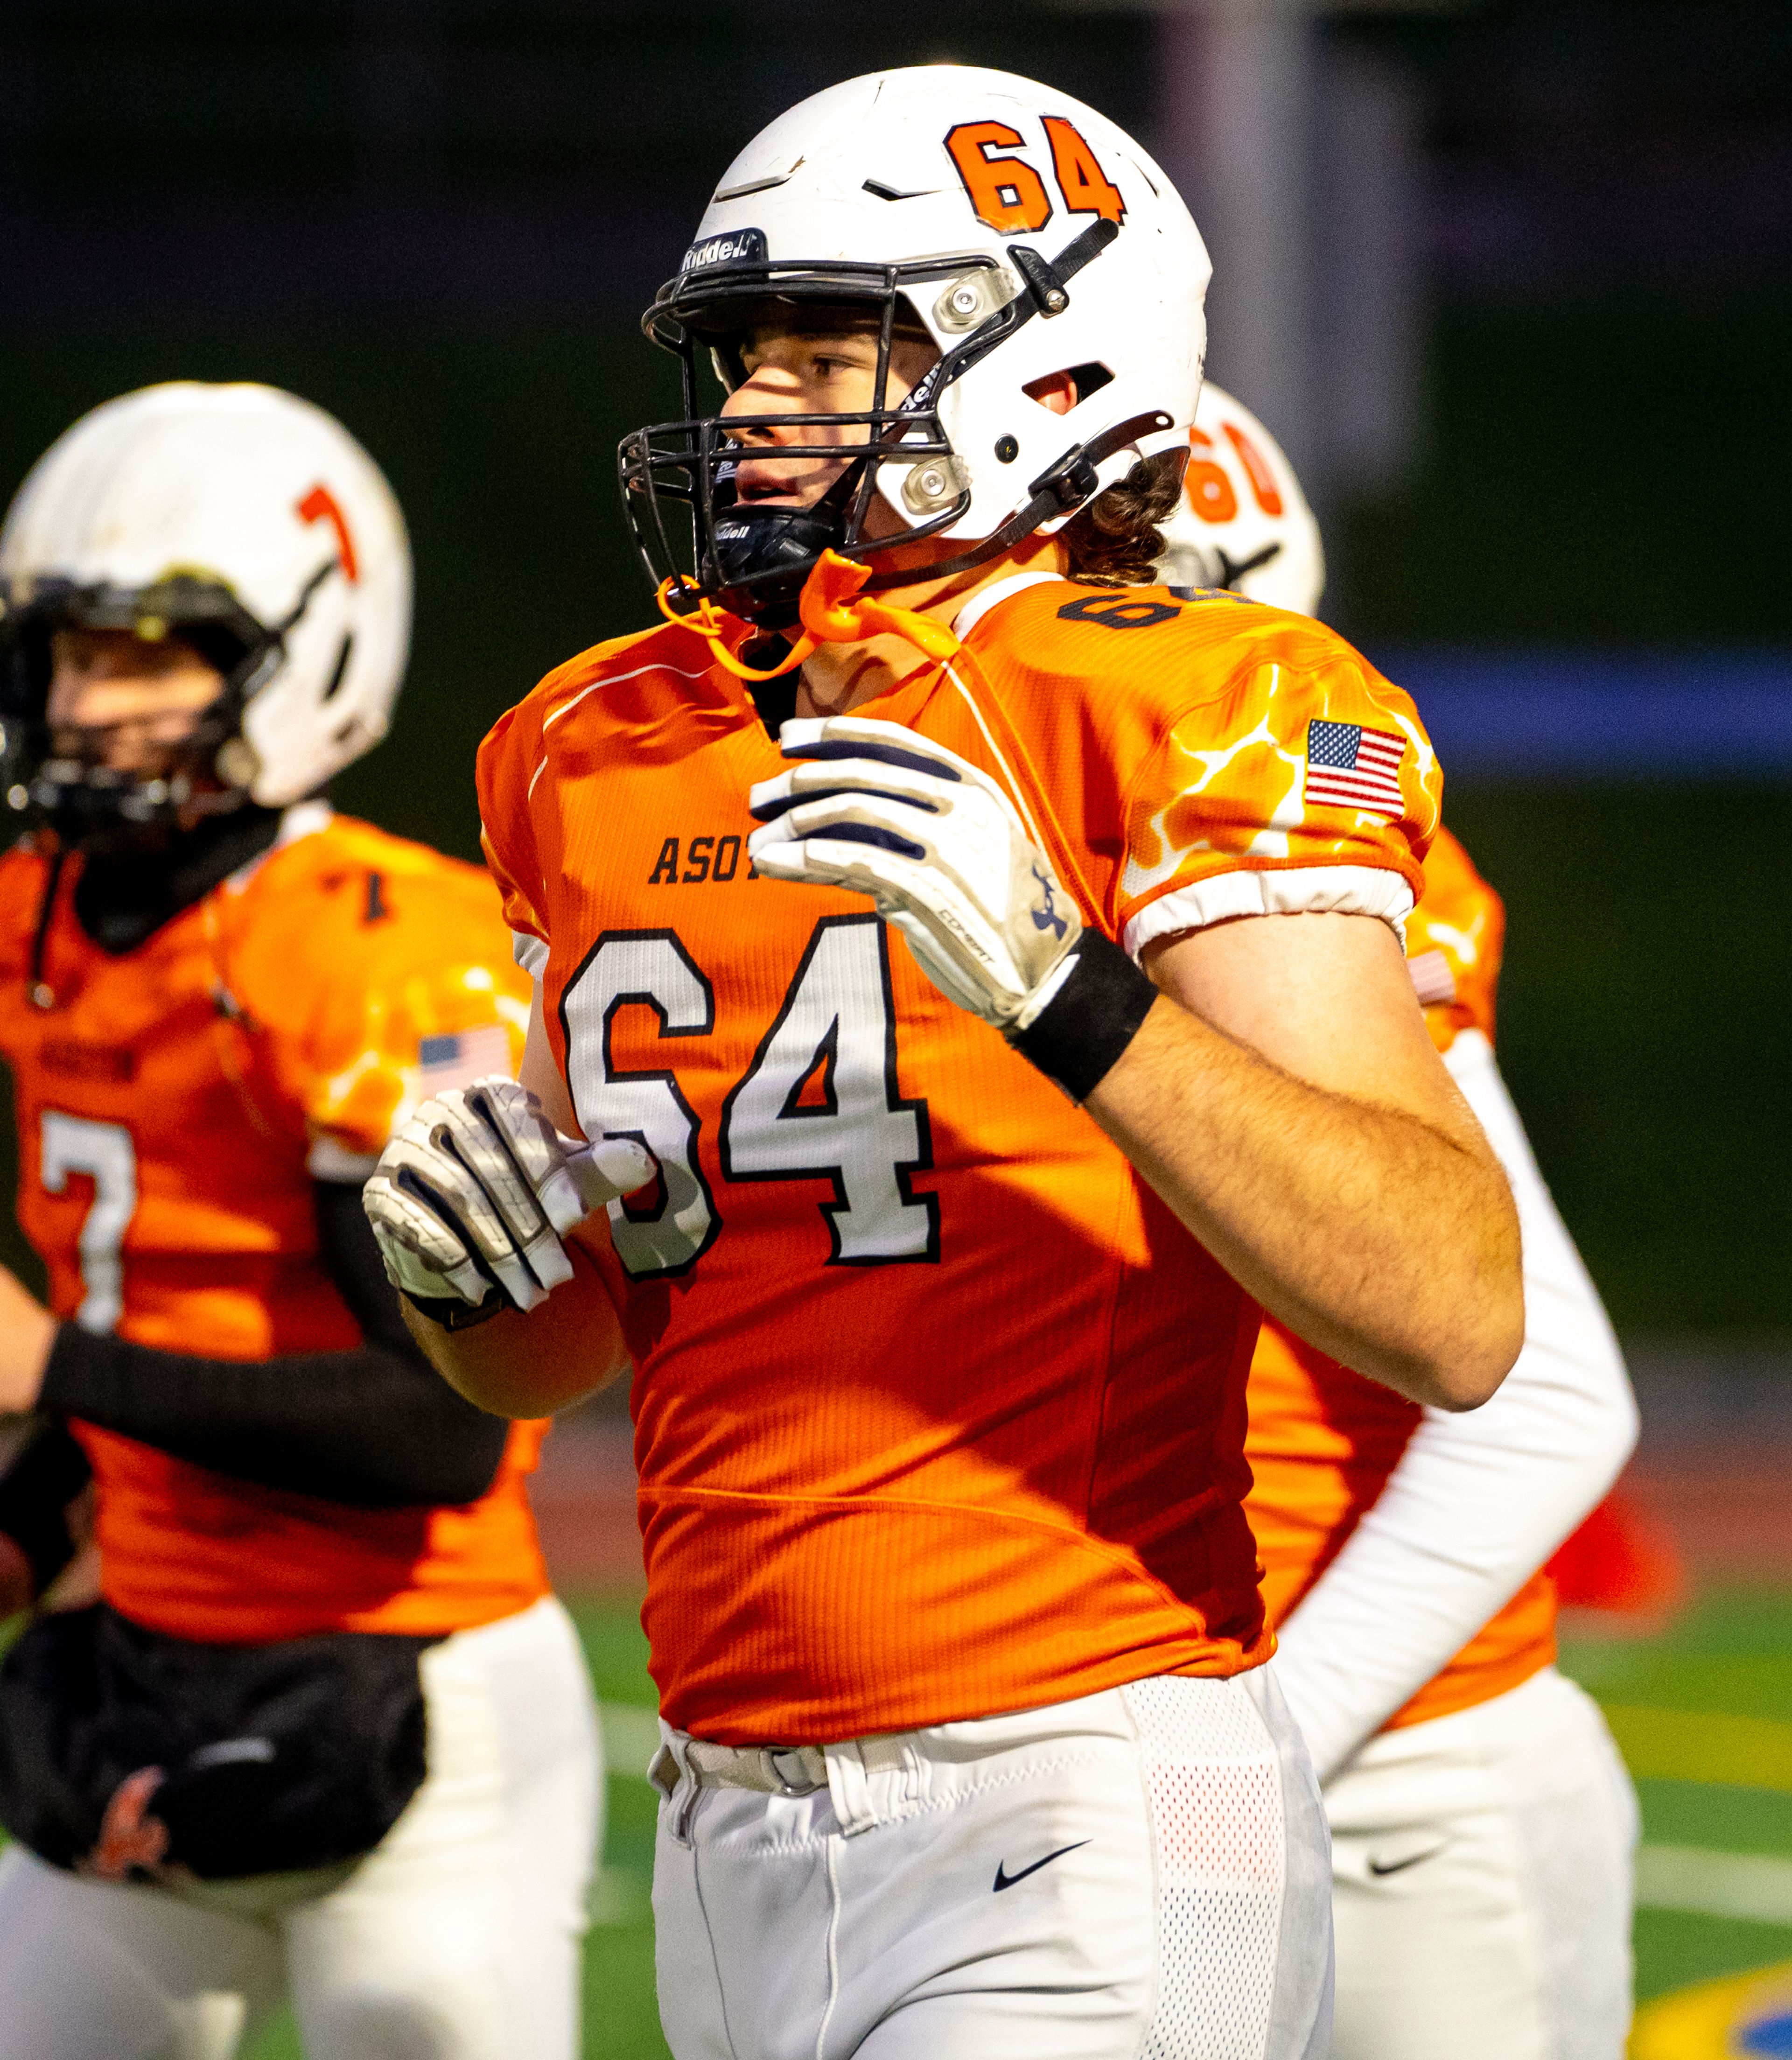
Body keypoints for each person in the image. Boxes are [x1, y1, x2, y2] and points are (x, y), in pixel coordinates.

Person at [368, 67, 1523, 2060]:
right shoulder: (585, 743)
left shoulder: (1183, 697)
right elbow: (574, 1349)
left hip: (1089, 1783)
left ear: (1045, 359)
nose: (749, 412)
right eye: (744, 356)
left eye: (825, 352)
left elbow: (1453, 1305)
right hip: (726, 1811)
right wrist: (472, 1291)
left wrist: (1078, 1001)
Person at [0, 381, 599, 2060]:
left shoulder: (367, 951)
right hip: (146, 1657)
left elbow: (439, 1427)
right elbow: (153, 1302)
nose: (83, 700)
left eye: (142, 654)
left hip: (415, 1693)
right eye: (64, 652)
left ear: (303, 656)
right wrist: (35, 1518)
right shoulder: (48, 923)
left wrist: (60, 1370)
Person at [1158, 382, 1641, 2058]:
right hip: (1170, 1756)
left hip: (1393, 1773)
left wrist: (1255, 1750)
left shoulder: (1296, 886)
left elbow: (1551, 1399)